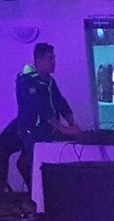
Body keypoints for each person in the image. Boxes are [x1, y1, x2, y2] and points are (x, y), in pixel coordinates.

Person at [15, 42, 79, 190]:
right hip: (33, 132)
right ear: (38, 60)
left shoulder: (49, 80)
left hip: (49, 131)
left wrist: (72, 122)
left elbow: (60, 101)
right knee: (38, 167)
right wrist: (64, 129)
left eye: (54, 58)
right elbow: (41, 107)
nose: (53, 62)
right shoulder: (26, 80)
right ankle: (39, 199)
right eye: (50, 58)